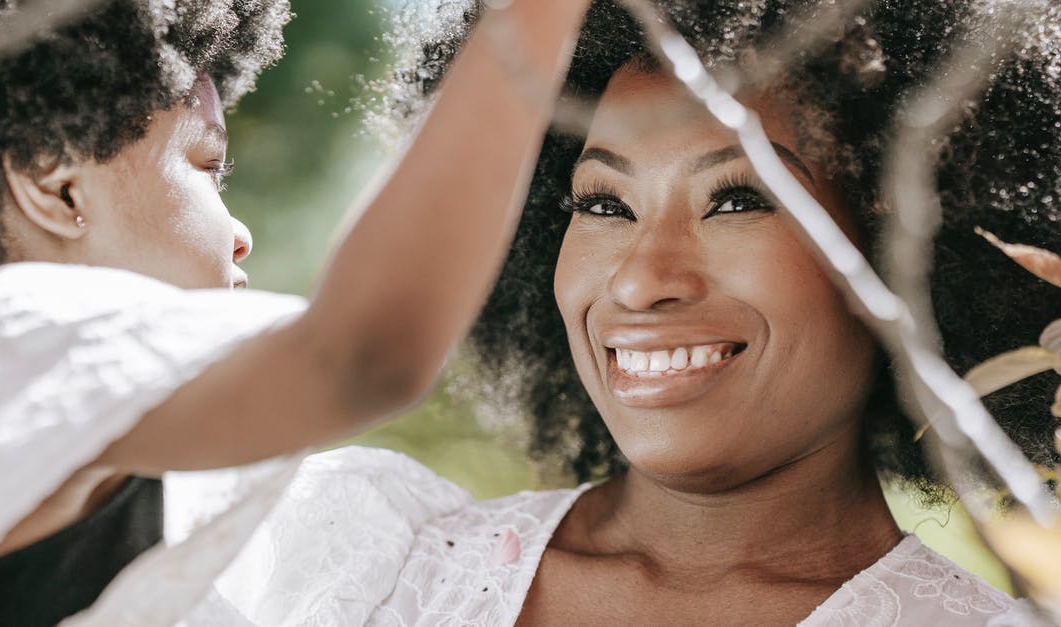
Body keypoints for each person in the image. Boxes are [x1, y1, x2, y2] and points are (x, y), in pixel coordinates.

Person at [237, 0, 1061, 624]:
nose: (640, 281)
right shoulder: (361, 558)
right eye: (602, 203)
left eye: (738, 199)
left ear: (901, 249)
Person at [0, 0, 594, 625]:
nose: (240, 232)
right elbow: (362, 357)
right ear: (57, 186)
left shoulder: (17, 425)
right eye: (207, 166)